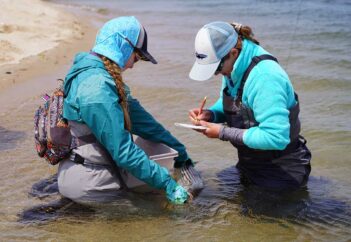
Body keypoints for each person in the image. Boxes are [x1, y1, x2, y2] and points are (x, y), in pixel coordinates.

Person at [58, 16, 192, 204]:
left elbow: (146, 125)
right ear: (122, 47)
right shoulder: (98, 89)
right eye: (135, 58)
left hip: (84, 173)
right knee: (158, 217)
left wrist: (180, 152)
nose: (131, 65)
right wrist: (167, 183)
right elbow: (124, 153)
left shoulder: (93, 73)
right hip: (91, 185)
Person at [188, 21, 311, 191]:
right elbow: (238, 101)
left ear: (233, 53)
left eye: (216, 68)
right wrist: (212, 114)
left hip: (282, 169)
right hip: (250, 162)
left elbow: (276, 136)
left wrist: (222, 132)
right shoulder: (233, 66)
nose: (217, 74)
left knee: (252, 215)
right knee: (213, 188)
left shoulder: (265, 77)